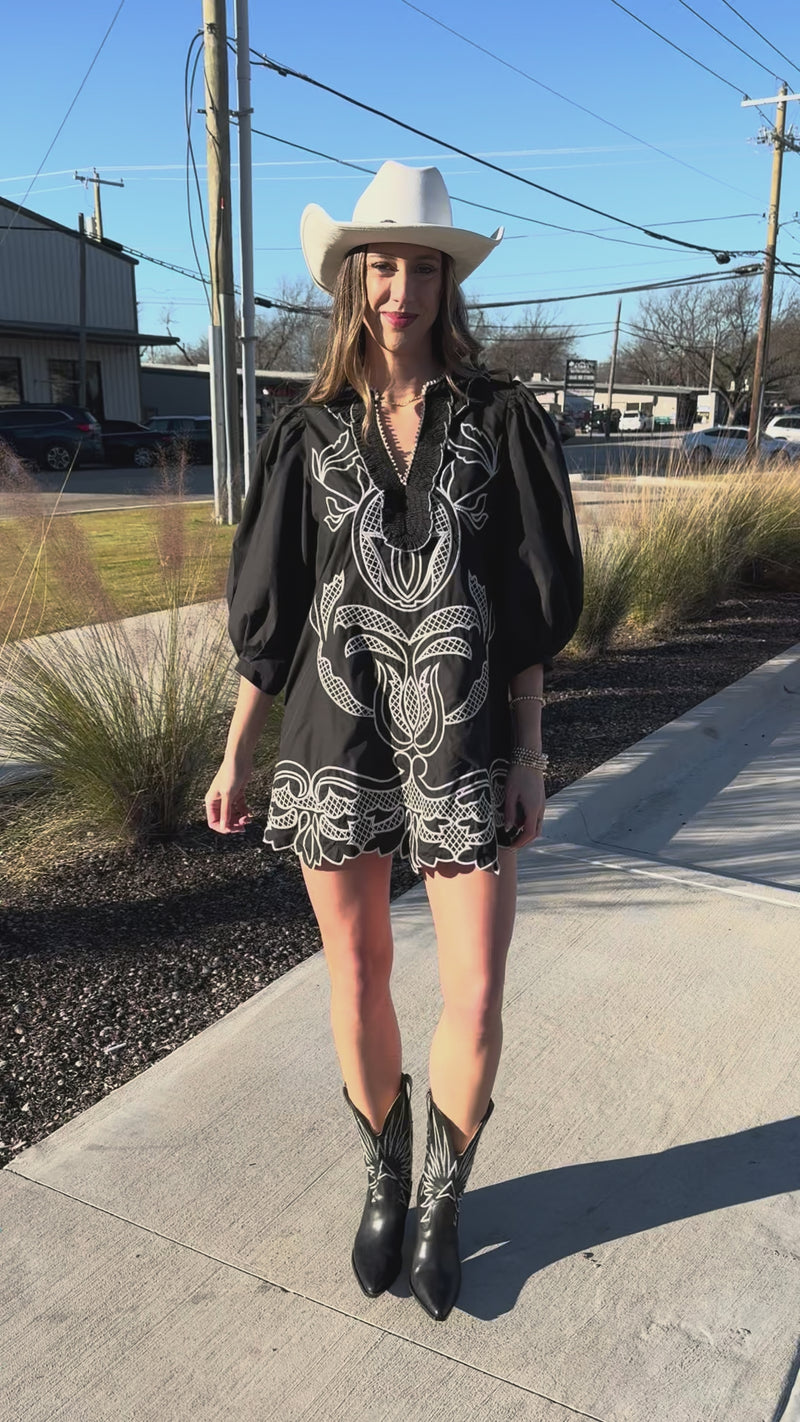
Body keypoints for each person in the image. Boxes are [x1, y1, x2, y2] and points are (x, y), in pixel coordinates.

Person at [205, 161, 583, 1322]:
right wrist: (236, 752)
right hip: (333, 740)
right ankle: (383, 1171)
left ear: (444, 281)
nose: (400, 290)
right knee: (357, 970)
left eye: (421, 268)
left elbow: (524, 606)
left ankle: (440, 1202)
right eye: (382, 266)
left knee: (476, 984)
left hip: (465, 742)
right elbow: (273, 614)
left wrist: (529, 754)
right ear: (351, 278)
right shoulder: (305, 433)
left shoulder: (500, 423)